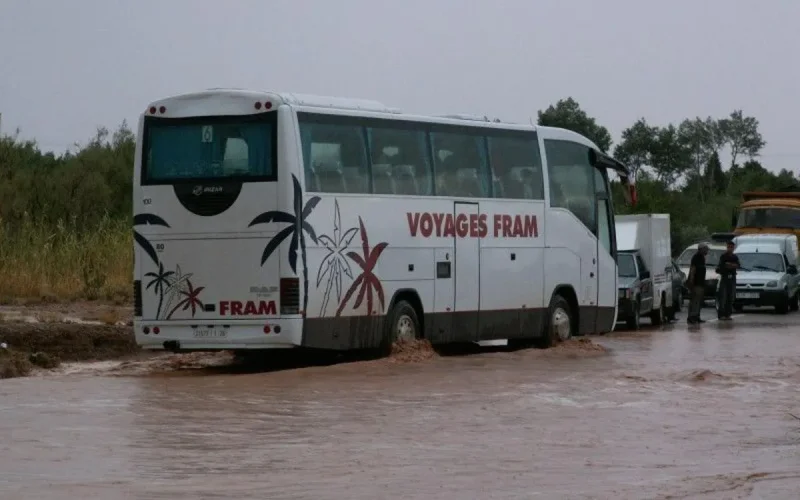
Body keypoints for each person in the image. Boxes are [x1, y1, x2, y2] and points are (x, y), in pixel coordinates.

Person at [716, 241, 739, 320]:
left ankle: (728, 314)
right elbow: (722, 266)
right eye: (729, 247)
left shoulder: (735, 257)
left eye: (731, 247)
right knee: (723, 297)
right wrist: (729, 266)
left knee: (731, 297)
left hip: (732, 278)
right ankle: (721, 314)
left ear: (733, 248)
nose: (730, 249)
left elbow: (737, 265)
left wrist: (731, 265)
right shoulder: (723, 256)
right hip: (725, 278)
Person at [686, 243, 709, 324]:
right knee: (694, 300)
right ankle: (692, 317)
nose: (707, 250)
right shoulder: (696, 257)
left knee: (699, 301)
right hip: (696, 283)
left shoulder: (702, 258)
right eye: (706, 249)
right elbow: (692, 270)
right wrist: (691, 282)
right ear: (701, 249)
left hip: (701, 283)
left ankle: (697, 316)